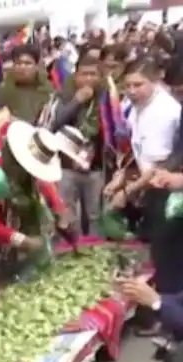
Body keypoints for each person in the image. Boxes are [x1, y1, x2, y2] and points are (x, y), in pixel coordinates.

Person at [105, 57, 182, 337]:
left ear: (155, 82)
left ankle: (166, 317)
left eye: (139, 85)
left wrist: (127, 192)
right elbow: (137, 152)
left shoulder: (163, 112)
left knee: (168, 254)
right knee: (160, 250)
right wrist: (121, 177)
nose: (132, 91)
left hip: (166, 189)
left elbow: (158, 166)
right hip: (154, 184)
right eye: (127, 86)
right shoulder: (138, 106)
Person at [0, 119, 69, 292]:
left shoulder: (23, 163)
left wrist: (59, 207)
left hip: (14, 221)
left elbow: (43, 183)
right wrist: (24, 241)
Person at [50, 55, 105, 235]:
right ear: (75, 76)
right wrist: (77, 101)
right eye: (84, 74)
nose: (88, 79)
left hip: (96, 167)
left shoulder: (106, 98)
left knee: (95, 215)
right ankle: (74, 250)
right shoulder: (64, 95)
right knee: (69, 213)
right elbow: (55, 123)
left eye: (93, 74)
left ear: (100, 77)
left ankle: (98, 252)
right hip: (66, 166)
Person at [0, 44, 56, 126]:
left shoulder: (47, 93)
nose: (22, 67)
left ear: (36, 66)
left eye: (27, 63)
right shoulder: (3, 88)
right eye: (18, 63)